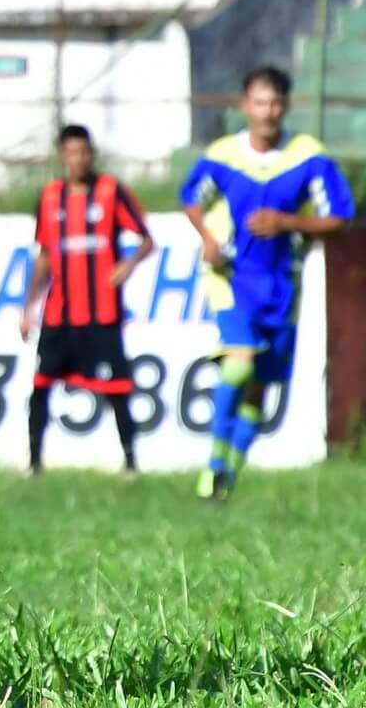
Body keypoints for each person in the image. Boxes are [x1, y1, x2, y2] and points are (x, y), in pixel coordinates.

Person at [181, 67, 352, 501]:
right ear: (245, 107)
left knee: (259, 387)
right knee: (238, 364)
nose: (267, 111)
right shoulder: (223, 156)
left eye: (275, 102)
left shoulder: (307, 156)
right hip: (231, 280)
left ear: (286, 106)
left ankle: (227, 478)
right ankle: (213, 466)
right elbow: (191, 198)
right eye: (259, 102)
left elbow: (338, 218)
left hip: (281, 285)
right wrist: (208, 240)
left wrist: (287, 222)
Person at [19, 124, 153, 473]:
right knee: (41, 387)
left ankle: (131, 463)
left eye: (83, 152)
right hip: (60, 314)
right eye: (72, 153)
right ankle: (34, 463)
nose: (78, 159)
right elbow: (44, 256)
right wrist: (28, 307)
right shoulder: (50, 198)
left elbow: (146, 240)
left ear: (91, 154)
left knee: (118, 388)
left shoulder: (111, 192)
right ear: (62, 156)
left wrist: (128, 264)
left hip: (102, 313)